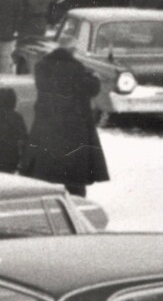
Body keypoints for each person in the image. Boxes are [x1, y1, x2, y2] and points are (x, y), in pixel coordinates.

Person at [23, 46, 108, 197]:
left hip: (47, 124)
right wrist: (92, 75)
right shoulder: (77, 69)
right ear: (71, 54)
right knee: (75, 172)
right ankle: (76, 200)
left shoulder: (41, 68)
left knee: (45, 169)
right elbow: (93, 88)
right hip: (75, 126)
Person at [14, 0, 53, 73]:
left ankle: (23, 72)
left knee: (24, 50)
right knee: (38, 49)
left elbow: (19, 9)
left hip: (27, 25)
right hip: (41, 23)